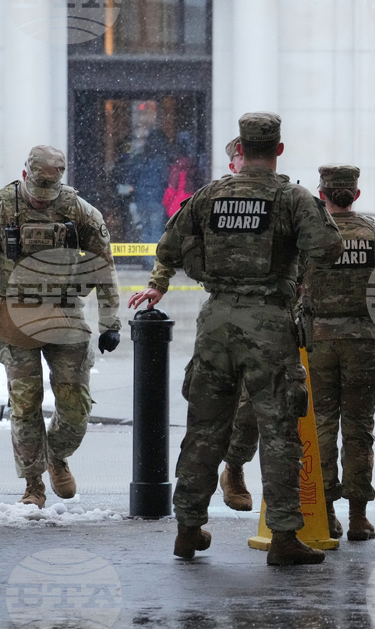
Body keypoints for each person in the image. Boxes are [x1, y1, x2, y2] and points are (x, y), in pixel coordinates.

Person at [139, 113, 343, 566]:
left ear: (240, 148)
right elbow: (328, 249)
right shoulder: (290, 197)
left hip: (216, 321)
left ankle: (188, 527)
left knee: (205, 428)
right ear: (279, 149)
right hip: (268, 320)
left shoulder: (210, 195)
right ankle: (285, 536)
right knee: (278, 428)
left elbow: (169, 246)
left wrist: (188, 270)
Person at [0, 145, 121, 508]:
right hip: (15, 318)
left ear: (61, 181)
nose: (43, 200)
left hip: (64, 316)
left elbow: (104, 269)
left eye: (50, 191)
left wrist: (110, 322)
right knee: (25, 405)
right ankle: (33, 485)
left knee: (76, 407)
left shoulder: (80, 212)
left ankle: (55, 456)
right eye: (37, 190)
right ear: (25, 176)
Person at [129, 135, 261, 513]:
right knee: (208, 411)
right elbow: (171, 242)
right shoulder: (210, 198)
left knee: (257, 408)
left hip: (270, 315)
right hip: (221, 313)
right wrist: (157, 285)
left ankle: (235, 468)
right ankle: (190, 518)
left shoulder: (283, 198)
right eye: (237, 157)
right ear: (233, 162)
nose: (242, 163)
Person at [302, 164, 375, 541]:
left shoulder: (311, 235)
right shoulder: (372, 233)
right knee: (359, 429)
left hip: (318, 339)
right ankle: (358, 517)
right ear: (355, 194)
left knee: (322, 424)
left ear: (322, 194)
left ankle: (326, 513)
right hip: (364, 341)